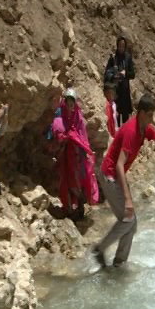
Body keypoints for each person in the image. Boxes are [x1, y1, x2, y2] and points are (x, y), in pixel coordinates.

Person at [92, 94, 155, 268]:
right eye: (151, 115)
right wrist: (128, 199)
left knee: (131, 223)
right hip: (109, 176)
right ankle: (100, 249)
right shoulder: (131, 131)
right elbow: (119, 166)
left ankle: (118, 263)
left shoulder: (146, 128)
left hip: (115, 176)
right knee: (128, 220)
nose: (153, 119)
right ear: (142, 113)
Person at [51, 88, 99, 220]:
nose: (70, 106)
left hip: (77, 156)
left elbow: (82, 137)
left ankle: (78, 207)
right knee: (65, 179)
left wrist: (75, 139)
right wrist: (64, 138)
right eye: (68, 103)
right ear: (65, 103)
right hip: (64, 156)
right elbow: (57, 134)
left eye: (72, 104)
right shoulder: (59, 119)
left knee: (77, 180)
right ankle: (68, 207)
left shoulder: (78, 118)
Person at [104, 36, 135, 127]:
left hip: (125, 92)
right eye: (120, 45)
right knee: (115, 117)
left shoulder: (128, 58)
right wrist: (114, 75)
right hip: (115, 92)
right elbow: (107, 74)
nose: (121, 48)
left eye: (123, 46)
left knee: (125, 119)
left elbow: (133, 74)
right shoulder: (113, 58)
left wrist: (126, 74)